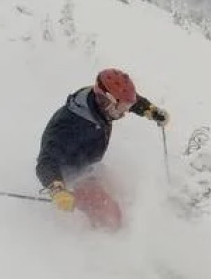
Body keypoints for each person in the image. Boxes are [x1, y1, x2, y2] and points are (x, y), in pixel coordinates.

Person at [35, 67, 169, 229]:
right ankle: (108, 243)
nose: (125, 112)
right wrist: (57, 189)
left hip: (91, 165)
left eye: (127, 107)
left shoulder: (99, 103)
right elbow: (46, 161)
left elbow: (126, 99)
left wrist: (150, 110)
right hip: (72, 174)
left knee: (125, 192)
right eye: (121, 108)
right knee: (111, 216)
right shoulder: (67, 125)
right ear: (106, 101)